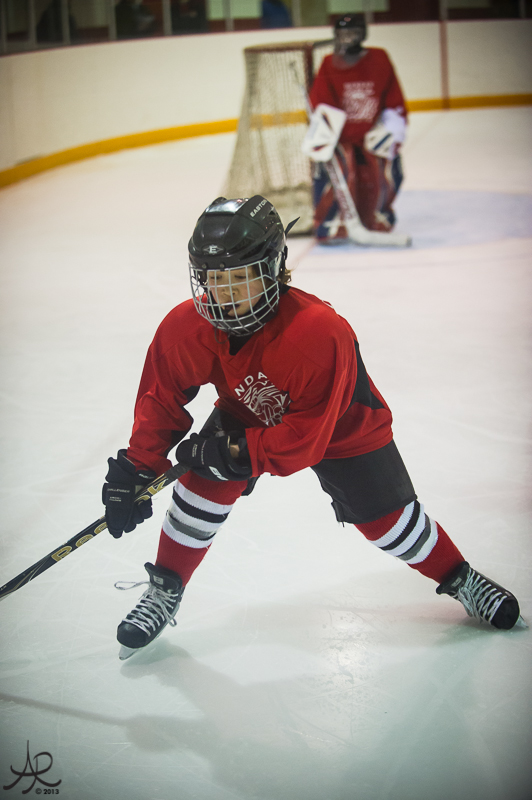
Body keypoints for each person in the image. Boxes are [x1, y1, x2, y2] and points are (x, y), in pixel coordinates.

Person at [102, 195, 525, 660]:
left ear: (272, 269)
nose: (225, 294)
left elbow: (304, 441)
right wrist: (138, 468)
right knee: (200, 485)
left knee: (391, 526)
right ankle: (165, 589)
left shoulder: (319, 333)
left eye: (239, 278)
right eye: (214, 279)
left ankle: (462, 578)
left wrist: (232, 453)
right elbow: (159, 399)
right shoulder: (187, 327)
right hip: (249, 407)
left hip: (342, 425)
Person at [309, 14, 407, 242]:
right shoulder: (329, 63)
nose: (348, 39)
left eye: (353, 33)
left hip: (372, 135)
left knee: (390, 170)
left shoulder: (379, 59)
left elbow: (394, 99)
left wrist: (391, 128)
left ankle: (377, 215)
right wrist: (325, 135)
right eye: (343, 34)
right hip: (340, 138)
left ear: (363, 34)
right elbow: (322, 104)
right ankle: (331, 222)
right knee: (335, 170)